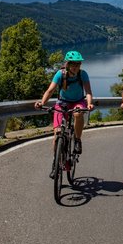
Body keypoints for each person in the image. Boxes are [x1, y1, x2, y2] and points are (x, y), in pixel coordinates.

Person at [35, 50, 94, 178]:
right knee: (57, 135)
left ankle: (77, 140)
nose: (76, 67)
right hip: (62, 103)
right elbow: (50, 90)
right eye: (73, 64)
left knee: (78, 114)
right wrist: (42, 102)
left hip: (78, 101)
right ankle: (55, 163)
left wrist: (89, 104)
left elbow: (88, 91)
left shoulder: (83, 74)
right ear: (67, 64)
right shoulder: (59, 74)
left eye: (78, 64)